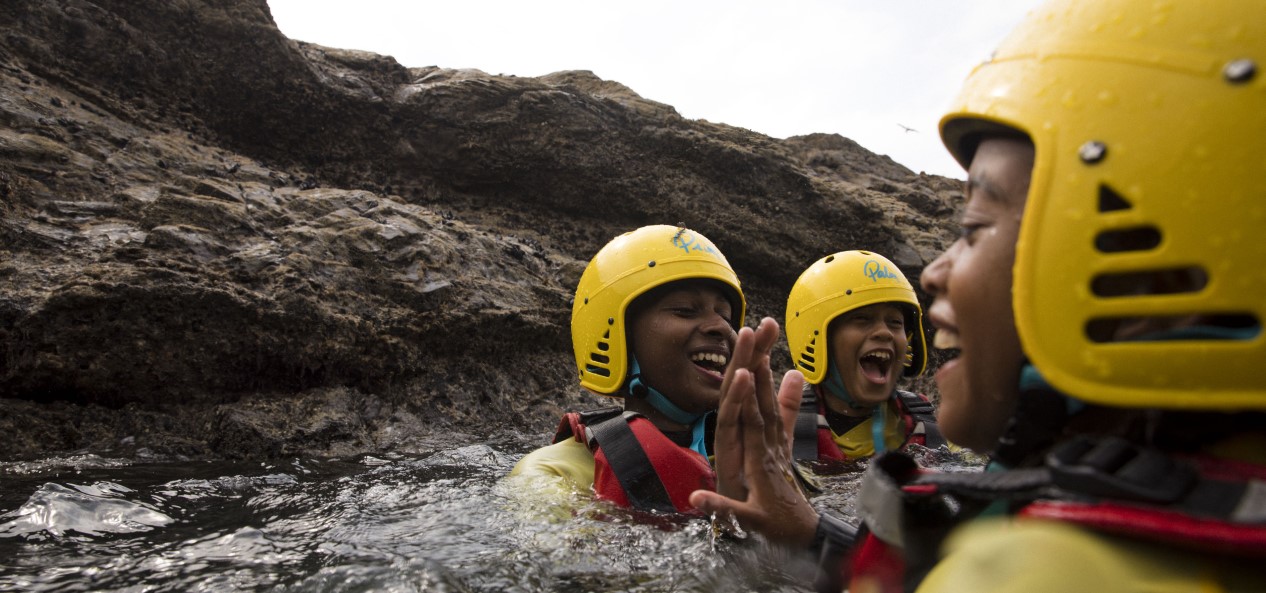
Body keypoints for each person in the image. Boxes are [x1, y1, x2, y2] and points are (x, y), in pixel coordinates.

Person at [691, 1, 1266, 591]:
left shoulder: (1019, 572)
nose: (935, 273)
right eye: (864, 320)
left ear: (1143, 278)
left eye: (972, 228)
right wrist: (811, 535)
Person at [511, 224, 744, 514]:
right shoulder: (552, 476)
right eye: (685, 309)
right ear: (620, 337)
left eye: (726, 316)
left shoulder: (761, 460)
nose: (722, 327)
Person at [784, 250, 941, 463]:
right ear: (817, 337)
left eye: (895, 322)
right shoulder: (779, 432)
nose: (884, 332)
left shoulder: (933, 429)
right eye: (862, 319)